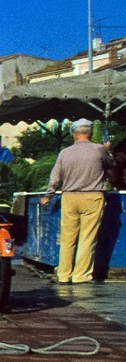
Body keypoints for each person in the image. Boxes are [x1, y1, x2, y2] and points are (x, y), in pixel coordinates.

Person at [41, 118, 115, 283]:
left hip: (69, 197)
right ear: (89, 133)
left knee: (68, 238)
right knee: (87, 237)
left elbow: (55, 177)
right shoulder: (99, 149)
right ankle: (81, 275)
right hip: (93, 196)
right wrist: (108, 149)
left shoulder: (65, 153)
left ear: (74, 134)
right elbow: (111, 164)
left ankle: (64, 274)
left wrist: (48, 195)